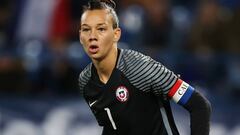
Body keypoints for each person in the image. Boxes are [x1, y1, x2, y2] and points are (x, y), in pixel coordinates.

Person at [78, 0, 211, 134]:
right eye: (86, 29)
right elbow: (113, 126)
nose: (93, 36)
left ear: (116, 34)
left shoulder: (142, 67)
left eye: (101, 29)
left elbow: (199, 105)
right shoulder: (86, 81)